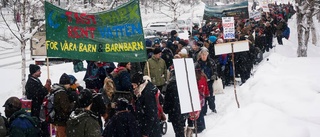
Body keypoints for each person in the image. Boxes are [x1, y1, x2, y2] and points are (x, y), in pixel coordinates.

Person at [131, 72, 161, 137]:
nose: (133, 87)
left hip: (150, 130)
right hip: (147, 126)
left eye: (134, 85)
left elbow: (151, 114)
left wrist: (145, 132)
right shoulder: (141, 91)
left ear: (139, 83)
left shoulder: (148, 93)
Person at [163, 67, 187, 137]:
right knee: (181, 128)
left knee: (178, 130)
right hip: (183, 110)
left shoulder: (170, 85)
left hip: (174, 111)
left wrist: (166, 109)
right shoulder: (184, 83)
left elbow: (167, 99)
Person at [197, 48, 218, 115]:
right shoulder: (197, 64)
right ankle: (203, 111)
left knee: (211, 97)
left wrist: (214, 75)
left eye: (205, 55)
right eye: (202, 55)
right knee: (203, 97)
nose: (204, 56)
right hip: (201, 83)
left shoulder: (211, 62)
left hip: (210, 82)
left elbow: (215, 71)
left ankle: (213, 108)